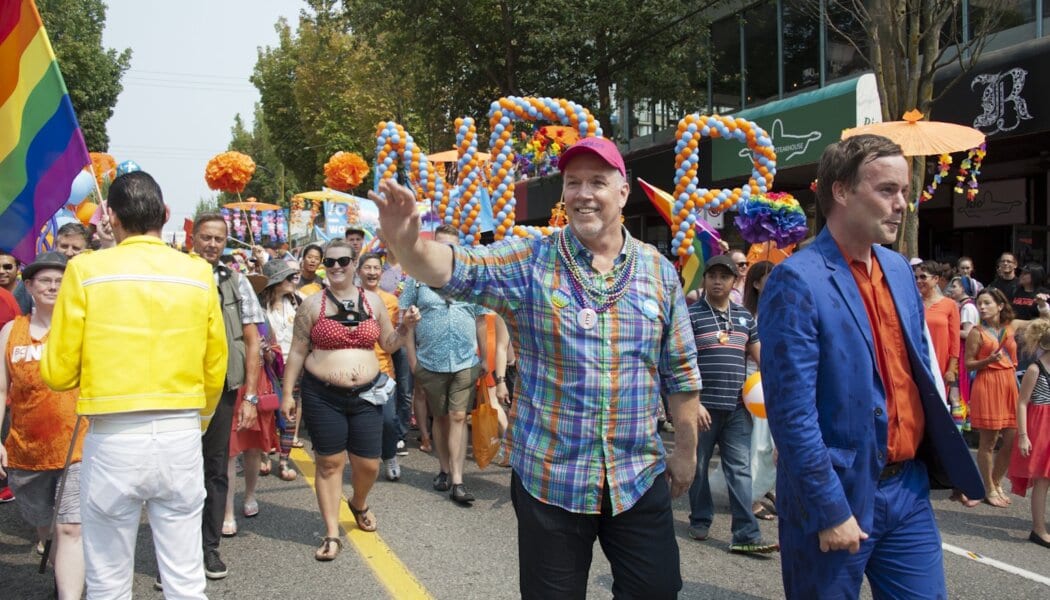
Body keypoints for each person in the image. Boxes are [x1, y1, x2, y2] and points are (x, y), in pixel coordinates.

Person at [371, 136, 703, 599]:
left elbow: (682, 371)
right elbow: (458, 268)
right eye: (573, 183)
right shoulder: (531, 261)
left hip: (636, 475)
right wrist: (408, 243)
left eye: (597, 182)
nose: (583, 193)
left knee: (657, 590)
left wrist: (685, 452)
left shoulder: (658, 271)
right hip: (552, 478)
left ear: (623, 192)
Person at [758, 135, 983, 599]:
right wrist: (829, 509)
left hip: (908, 490)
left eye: (904, 191)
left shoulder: (900, 270)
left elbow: (917, 376)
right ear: (841, 191)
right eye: (887, 190)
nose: (902, 204)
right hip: (834, 496)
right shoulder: (795, 279)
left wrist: (949, 459)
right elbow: (792, 414)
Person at [40, 171, 227, 599]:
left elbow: (57, 373)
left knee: (108, 580)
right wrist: (197, 420)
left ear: (113, 218)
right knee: (184, 577)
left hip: (112, 437)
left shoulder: (85, 270)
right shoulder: (198, 273)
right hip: (180, 432)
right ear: (164, 214)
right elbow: (215, 365)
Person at [280, 240, 418, 561]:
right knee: (329, 464)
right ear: (324, 265)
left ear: (354, 263)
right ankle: (330, 532)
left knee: (368, 464)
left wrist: (405, 328)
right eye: (330, 262)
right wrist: (288, 393)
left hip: (367, 394)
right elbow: (298, 351)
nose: (337, 266)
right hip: (323, 395)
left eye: (344, 260)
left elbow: (388, 342)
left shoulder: (373, 302)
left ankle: (358, 502)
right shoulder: (311, 305)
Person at [0, 252, 84, 600]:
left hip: (77, 445)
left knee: (70, 528)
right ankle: (70, 577)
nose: (52, 286)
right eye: (45, 280)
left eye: (60, 281)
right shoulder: (9, 332)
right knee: (47, 530)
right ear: (29, 285)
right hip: (26, 451)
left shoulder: (83, 330)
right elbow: (2, 388)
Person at [190, 212, 264, 581]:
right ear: (193, 237)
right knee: (176, 476)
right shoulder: (178, 275)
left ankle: (209, 549)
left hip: (221, 390)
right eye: (206, 237)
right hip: (180, 390)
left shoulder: (237, 282)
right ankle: (175, 555)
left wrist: (250, 396)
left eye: (219, 239)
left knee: (215, 470)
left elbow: (252, 341)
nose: (212, 245)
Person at [687, 255, 776, 554]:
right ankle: (700, 517)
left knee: (739, 469)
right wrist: (692, 402)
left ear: (734, 281)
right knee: (698, 467)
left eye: (724, 277)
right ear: (704, 279)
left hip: (737, 406)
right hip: (701, 407)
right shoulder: (691, 316)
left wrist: (777, 383)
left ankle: (746, 534)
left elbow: (759, 356)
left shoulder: (744, 318)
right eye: (712, 275)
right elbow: (682, 362)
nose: (717, 281)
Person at [399, 225, 488, 504]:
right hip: (430, 360)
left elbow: (481, 319)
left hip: (464, 360)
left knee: (459, 417)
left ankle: (458, 480)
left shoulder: (472, 278)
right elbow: (407, 320)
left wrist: (485, 356)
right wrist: (412, 359)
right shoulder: (416, 277)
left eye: (451, 246)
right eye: (441, 245)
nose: (446, 251)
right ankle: (444, 469)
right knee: (440, 418)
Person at [252, 259, 302, 482]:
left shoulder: (299, 303)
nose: (293, 280)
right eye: (288, 277)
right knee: (267, 412)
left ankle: (283, 460)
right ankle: (264, 455)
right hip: (267, 366)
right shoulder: (259, 308)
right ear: (276, 282)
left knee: (289, 413)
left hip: (293, 367)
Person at [357, 252, 404, 481]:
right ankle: (364, 462)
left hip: (383, 370)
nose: (372, 272)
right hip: (355, 371)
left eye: (376, 268)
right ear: (359, 272)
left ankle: (390, 455)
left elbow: (394, 338)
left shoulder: (391, 301)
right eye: (368, 268)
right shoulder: (350, 299)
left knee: (387, 419)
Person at [1009, 317, 1050, 548]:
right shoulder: (1036, 369)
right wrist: (1023, 435)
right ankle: (1038, 528)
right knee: (1042, 479)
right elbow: (1022, 402)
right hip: (1041, 426)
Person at [742, 260, 776, 521]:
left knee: (776, 442)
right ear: (755, 283)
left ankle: (765, 487)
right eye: (769, 276)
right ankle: (750, 496)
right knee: (759, 442)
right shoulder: (748, 316)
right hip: (756, 383)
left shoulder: (783, 308)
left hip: (780, 381)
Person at [915, 261, 961, 397]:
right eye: (916, 278)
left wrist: (951, 369)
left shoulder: (950, 305)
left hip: (941, 363)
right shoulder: (913, 304)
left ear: (935, 279)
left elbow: (955, 341)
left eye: (923, 277)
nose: (919, 281)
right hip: (919, 362)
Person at [947, 275, 980, 426]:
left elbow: (968, 333)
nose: (951, 289)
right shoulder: (962, 305)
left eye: (955, 286)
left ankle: (959, 432)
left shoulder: (967, 307)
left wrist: (948, 330)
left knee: (956, 394)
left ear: (963, 289)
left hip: (962, 353)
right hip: (960, 351)